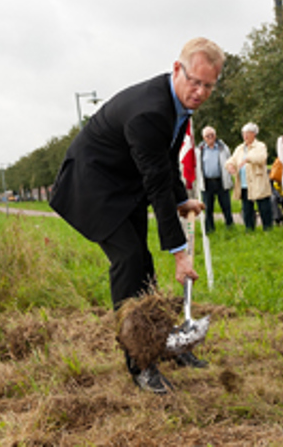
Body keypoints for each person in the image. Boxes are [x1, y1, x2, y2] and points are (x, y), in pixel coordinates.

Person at [49, 37, 222, 394]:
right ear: (177, 69)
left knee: (142, 263)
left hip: (124, 187)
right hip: (92, 187)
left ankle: (161, 340)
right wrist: (179, 254)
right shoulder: (150, 112)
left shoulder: (177, 107)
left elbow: (165, 163)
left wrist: (182, 200)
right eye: (194, 82)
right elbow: (156, 185)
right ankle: (140, 363)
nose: (200, 92)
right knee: (129, 261)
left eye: (208, 85)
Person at [226, 123, 273, 231]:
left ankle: (268, 229)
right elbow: (232, 159)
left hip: (258, 182)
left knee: (264, 207)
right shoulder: (240, 148)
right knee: (247, 209)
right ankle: (249, 229)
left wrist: (248, 158)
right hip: (244, 183)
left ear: (254, 134)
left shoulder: (260, 146)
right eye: (243, 133)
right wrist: (230, 166)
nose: (245, 136)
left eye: (248, 133)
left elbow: (261, 158)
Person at [195, 126, 233, 233]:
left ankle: (230, 227)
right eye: (207, 136)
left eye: (212, 135)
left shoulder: (223, 147)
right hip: (207, 182)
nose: (210, 137)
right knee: (208, 208)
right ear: (203, 137)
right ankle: (209, 230)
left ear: (215, 136)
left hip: (221, 181)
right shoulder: (199, 150)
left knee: (226, 207)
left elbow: (230, 160)